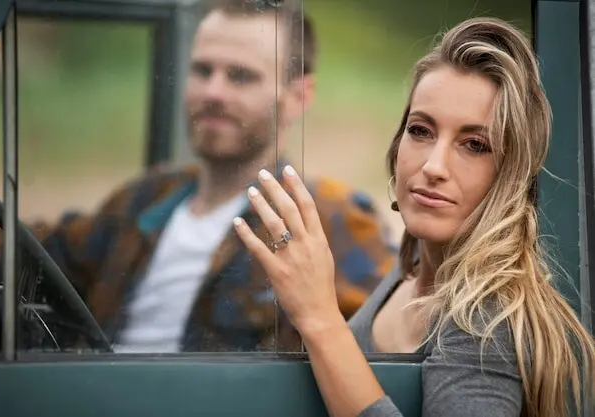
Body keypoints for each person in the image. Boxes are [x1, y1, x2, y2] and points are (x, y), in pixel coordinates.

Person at [0, 0, 397, 353]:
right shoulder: (148, 196)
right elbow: (29, 252)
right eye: (202, 70)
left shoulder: (326, 216)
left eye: (241, 76)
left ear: (299, 96)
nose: (213, 91)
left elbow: (382, 349)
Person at [233, 17, 595, 417]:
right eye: (421, 131)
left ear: (510, 175)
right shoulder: (417, 263)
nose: (433, 166)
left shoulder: (484, 318)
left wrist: (320, 319)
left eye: (475, 145)